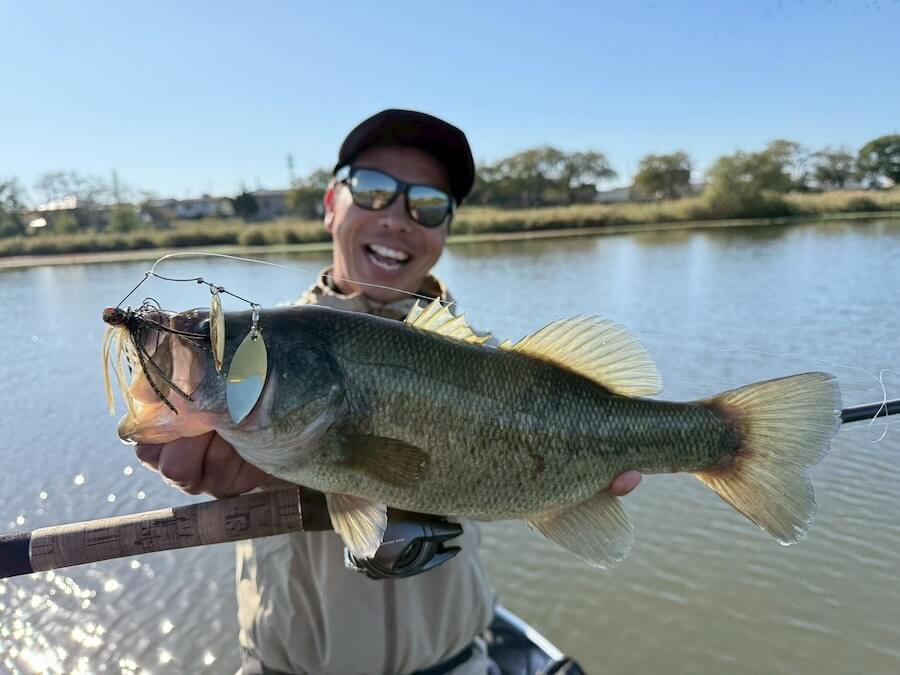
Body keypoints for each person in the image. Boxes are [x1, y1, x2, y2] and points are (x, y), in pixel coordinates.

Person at [135, 109, 642, 675]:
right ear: (331, 205)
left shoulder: (497, 367)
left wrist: (581, 478)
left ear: (446, 228)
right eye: (373, 191)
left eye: (427, 205)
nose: (398, 218)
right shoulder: (271, 348)